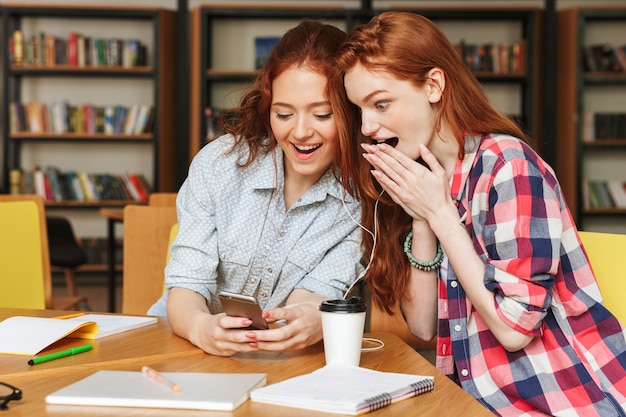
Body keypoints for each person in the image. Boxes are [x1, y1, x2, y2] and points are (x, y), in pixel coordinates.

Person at [336, 11, 626, 416]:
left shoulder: (508, 166)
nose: (367, 125)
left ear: (434, 86)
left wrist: (439, 213)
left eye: (381, 103)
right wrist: (422, 213)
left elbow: (513, 329)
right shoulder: (428, 181)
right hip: (482, 402)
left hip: (566, 399)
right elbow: (422, 327)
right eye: (359, 109)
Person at [148, 20, 364, 357]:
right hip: (183, 342)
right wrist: (201, 328)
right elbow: (186, 286)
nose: (300, 132)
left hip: (278, 356)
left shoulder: (360, 201)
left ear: (351, 114)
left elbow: (316, 293)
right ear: (268, 107)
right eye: (284, 113)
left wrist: (307, 318)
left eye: (322, 115)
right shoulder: (220, 165)